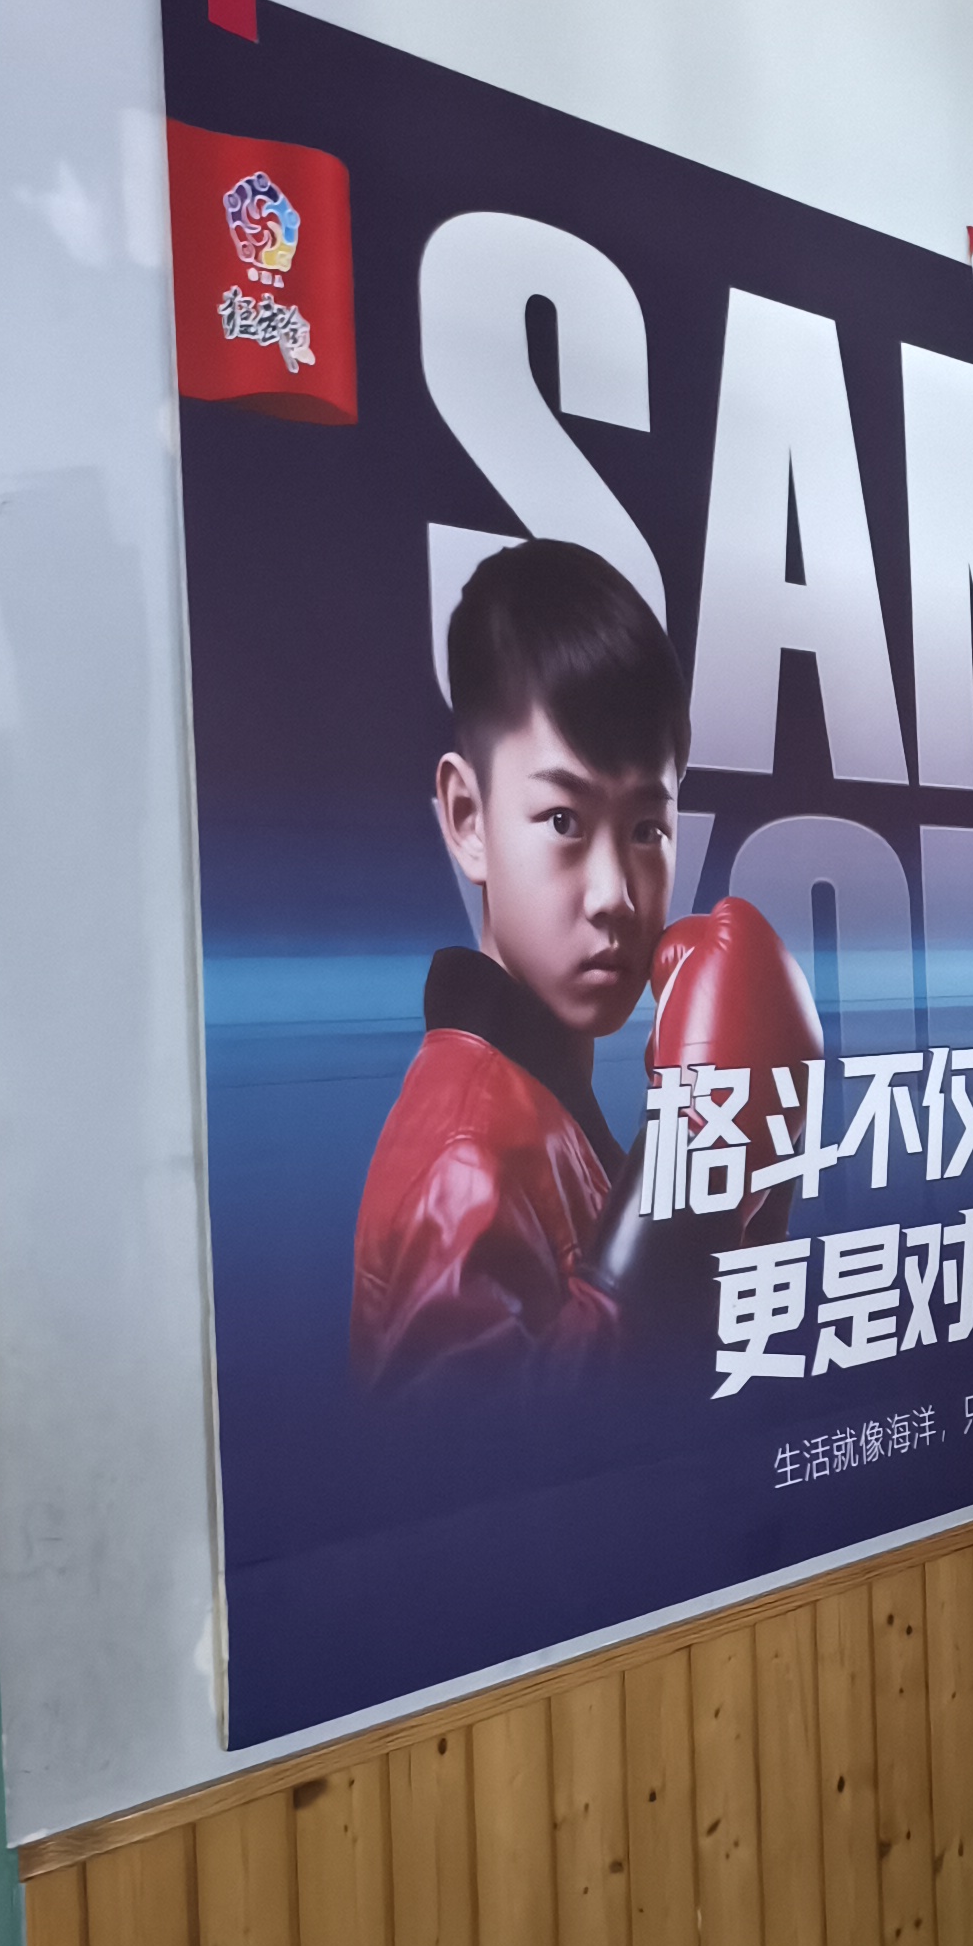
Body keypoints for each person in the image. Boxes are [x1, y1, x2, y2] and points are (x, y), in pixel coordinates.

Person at [348, 539, 688, 1385]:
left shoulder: (540, 1102)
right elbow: (493, 1457)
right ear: (468, 819)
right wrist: (689, 1159)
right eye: (564, 821)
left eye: (647, 829)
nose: (615, 895)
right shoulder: (466, 1162)